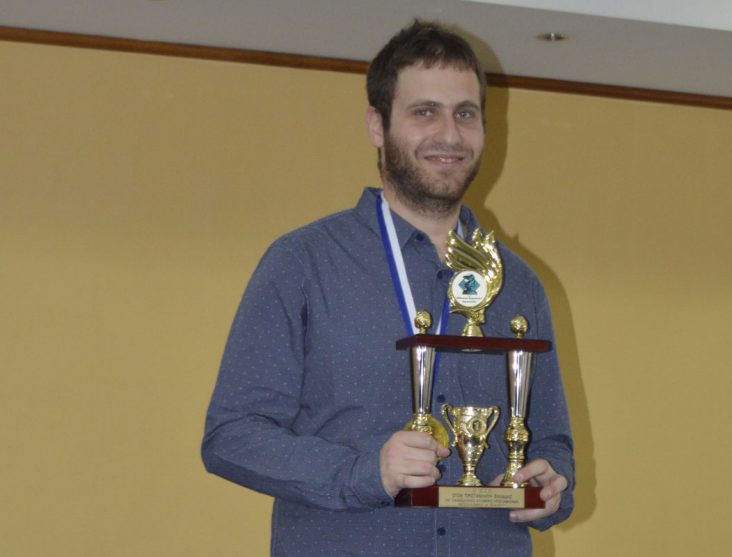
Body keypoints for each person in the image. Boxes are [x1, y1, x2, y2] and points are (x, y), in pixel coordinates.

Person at [202, 20, 574, 556]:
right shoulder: (303, 263)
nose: (449, 135)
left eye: (465, 114)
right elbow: (232, 435)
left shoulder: (519, 283)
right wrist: (364, 472)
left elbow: (552, 440)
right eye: (424, 112)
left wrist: (551, 483)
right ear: (377, 125)